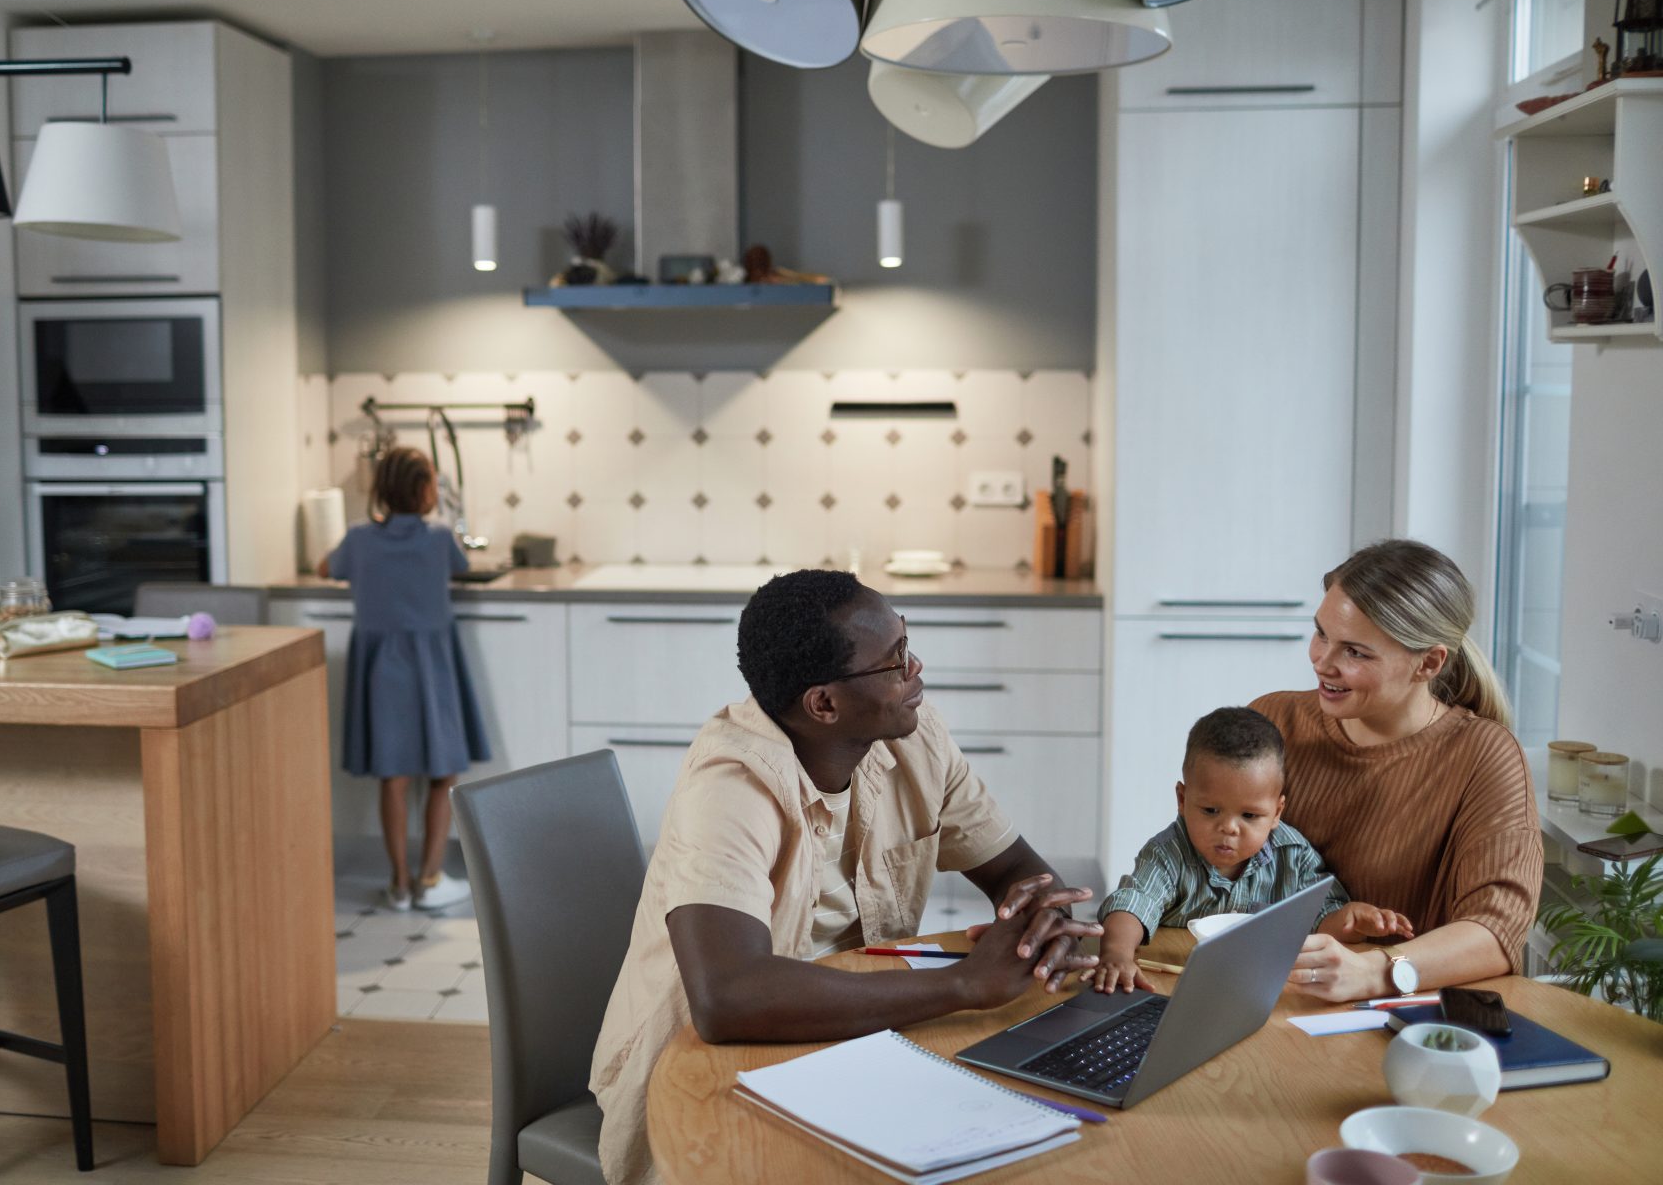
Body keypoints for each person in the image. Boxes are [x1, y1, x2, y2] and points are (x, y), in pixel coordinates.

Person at [589, 569, 1101, 1185]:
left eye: (906, 644)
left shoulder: (914, 733)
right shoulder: (731, 787)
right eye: (895, 663)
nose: (916, 670)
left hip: (855, 1046)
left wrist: (1037, 929)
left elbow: (1018, 871)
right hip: (708, 1072)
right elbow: (727, 998)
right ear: (824, 704)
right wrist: (967, 983)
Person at [1252, 539, 1541, 1002]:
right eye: (1322, 633)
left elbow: (1495, 931)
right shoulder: (1274, 722)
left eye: (1356, 653)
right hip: (1271, 992)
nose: (1322, 661)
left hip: (1404, 1018)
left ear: (1428, 662)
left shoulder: (1485, 755)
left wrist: (1374, 971)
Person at [1089, 706, 1410, 994]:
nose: (1229, 828)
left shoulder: (1293, 855)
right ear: (1183, 801)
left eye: (1249, 816)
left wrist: (1349, 920)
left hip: (1255, 988)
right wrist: (1117, 954)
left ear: (1277, 813)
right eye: (1211, 810)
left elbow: (1318, 919)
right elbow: (1132, 904)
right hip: (1177, 985)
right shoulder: (1168, 854)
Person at [317, 446, 488, 911]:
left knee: (391, 777)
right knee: (441, 771)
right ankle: (430, 878)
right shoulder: (438, 540)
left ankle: (397, 884)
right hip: (432, 668)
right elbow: (466, 568)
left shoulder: (357, 540)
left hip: (381, 673)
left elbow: (324, 568)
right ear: (422, 490)